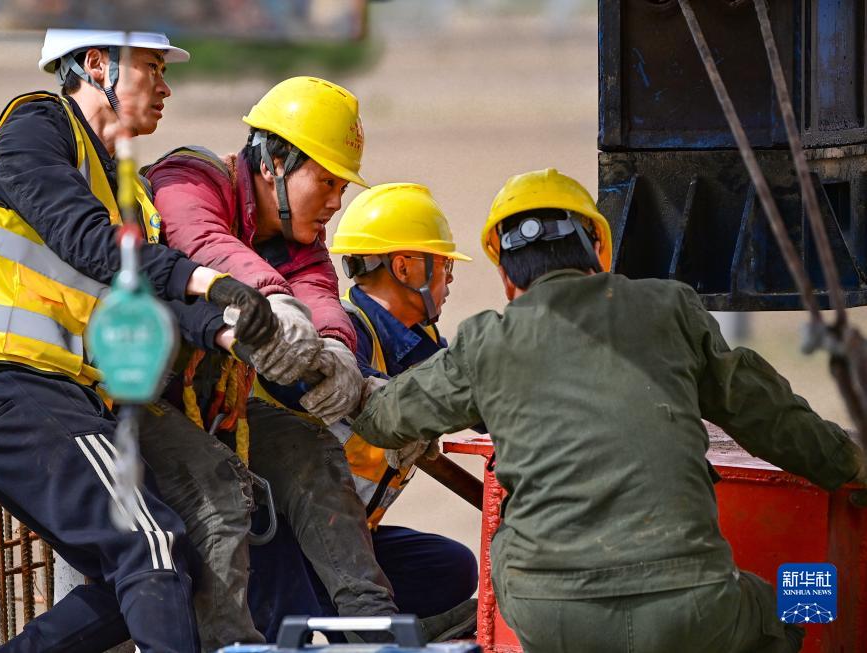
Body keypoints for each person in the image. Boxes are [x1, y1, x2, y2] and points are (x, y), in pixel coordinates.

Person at [350, 168, 867, 653]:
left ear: (508, 278)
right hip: (689, 606)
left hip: (550, 613)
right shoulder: (671, 309)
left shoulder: (486, 342)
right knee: (792, 608)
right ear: (599, 249)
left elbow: (383, 418)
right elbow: (769, 417)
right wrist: (851, 465)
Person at [0, 29, 277, 652]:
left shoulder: (125, 189)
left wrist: (228, 329)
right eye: (152, 68)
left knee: (148, 564)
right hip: (9, 384)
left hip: (60, 397)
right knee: (151, 543)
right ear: (94, 63)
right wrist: (206, 279)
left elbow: (150, 295)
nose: (165, 87)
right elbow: (87, 241)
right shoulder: (33, 131)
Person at [137, 76, 400, 650]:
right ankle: (230, 646)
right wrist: (270, 299)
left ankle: (375, 632)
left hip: (212, 406)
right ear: (275, 163)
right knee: (217, 489)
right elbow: (198, 236)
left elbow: (323, 297)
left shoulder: (296, 241)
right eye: (326, 181)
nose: (336, 201)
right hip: (129, 404)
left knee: (312, 450)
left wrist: (336, 352)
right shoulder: (190, 176)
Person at [245, 183, 480, 641]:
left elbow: (472, 397)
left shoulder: (419, 346)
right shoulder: (343, 332)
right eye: (445, 265)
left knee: (450, 568)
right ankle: (365, 632)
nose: (450, 279)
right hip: (280, 538)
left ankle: (367, 626)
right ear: (405, 265)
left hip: (351, 541)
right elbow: (310, 383)